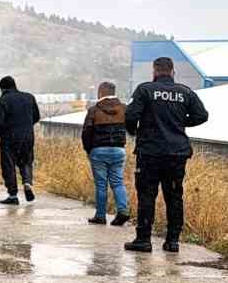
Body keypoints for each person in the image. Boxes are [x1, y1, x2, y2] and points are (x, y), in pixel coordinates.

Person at [124, 57, 209, 253]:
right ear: (172, 72)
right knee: (174, 196)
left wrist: (134, 132)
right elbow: (202, 116)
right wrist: (179, 123)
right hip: (177, 153)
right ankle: (172, 241)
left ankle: (143, 240)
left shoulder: (145, 90)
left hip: (150, 153)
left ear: (154, 71)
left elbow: (130, 116)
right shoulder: (185, 92)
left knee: (147, 195)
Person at [80, 81, 131, 226]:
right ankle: (123, 210)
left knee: (101, 185)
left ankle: (100, 216)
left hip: (99, 150)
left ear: (101, 92)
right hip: (118, 150)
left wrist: (89, 150)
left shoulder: (94, 110)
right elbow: (131, 127)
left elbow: (86, 133)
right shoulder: (123, 109)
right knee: (117, 182)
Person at [0, 76, 41, 205]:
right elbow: (36, 117)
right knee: (26, 161)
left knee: (9, 165)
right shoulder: (29, 97)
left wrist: (3, 134)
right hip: (28, 137)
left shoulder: (3, 100)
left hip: (9, 138)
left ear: (2, 88)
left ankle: (13, 195)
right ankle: (27, 182)